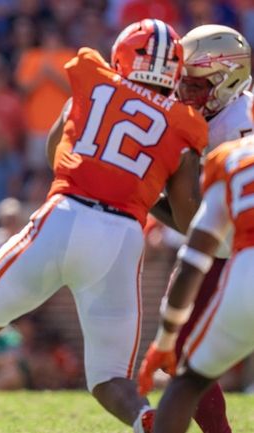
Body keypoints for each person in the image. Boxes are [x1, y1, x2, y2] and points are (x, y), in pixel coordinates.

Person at [0, 19, 206, 433]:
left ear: (123, 55)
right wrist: (141, 190)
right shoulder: (184, 122)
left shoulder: (94, 81)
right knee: (109, 378)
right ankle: (146, 421)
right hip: (121, 237)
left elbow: (56, 151)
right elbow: (189, 217)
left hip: (63, 216)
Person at [138, 24, 252, 433]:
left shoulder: (224, 133)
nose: (182, 95)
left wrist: (146, 193)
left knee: (188, 354)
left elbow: (198, 226)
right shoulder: (230, 112)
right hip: (230, 248)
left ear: (227, 79)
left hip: (233, 250)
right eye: (180, 84)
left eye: (193, 85)